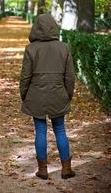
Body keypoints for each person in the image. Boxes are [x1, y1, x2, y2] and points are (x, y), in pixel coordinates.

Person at [19, 13, 75, 180]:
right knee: (60, 130)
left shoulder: (31, 49)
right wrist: (67, 95)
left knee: (40, 131)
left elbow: (25, 76)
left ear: (36, 28)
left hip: (36, 95)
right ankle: (66, 168)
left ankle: (42, 169)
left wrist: (25, 96)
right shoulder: (64, 47)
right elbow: (70, 77)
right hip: (58, 94)